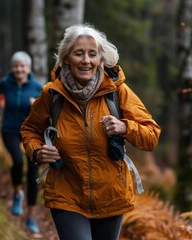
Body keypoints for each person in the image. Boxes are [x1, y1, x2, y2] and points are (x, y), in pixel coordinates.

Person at [20, 24, 161, 240]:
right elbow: (30, 129)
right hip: (67, 195)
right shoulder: (52, 94)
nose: (86, 60)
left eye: (92, 54)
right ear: (67, 58)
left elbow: (151, 136)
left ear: (100, 59)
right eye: (79, 53)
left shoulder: (117, 91)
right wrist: (37, 152)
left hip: (111, 196)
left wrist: (125, 127)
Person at [0, 51, 42, 233]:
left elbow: (47, 110)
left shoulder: (37, 86)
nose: (19, 69)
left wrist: (36, 104)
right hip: (10, 130)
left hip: (32, 133)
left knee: (33, 174)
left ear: (28, 68)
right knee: (18, 161)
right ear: (12, 68)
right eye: (16, 66)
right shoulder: (5, 83)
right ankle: (17, 193)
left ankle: (30, 216)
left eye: (23, 66)